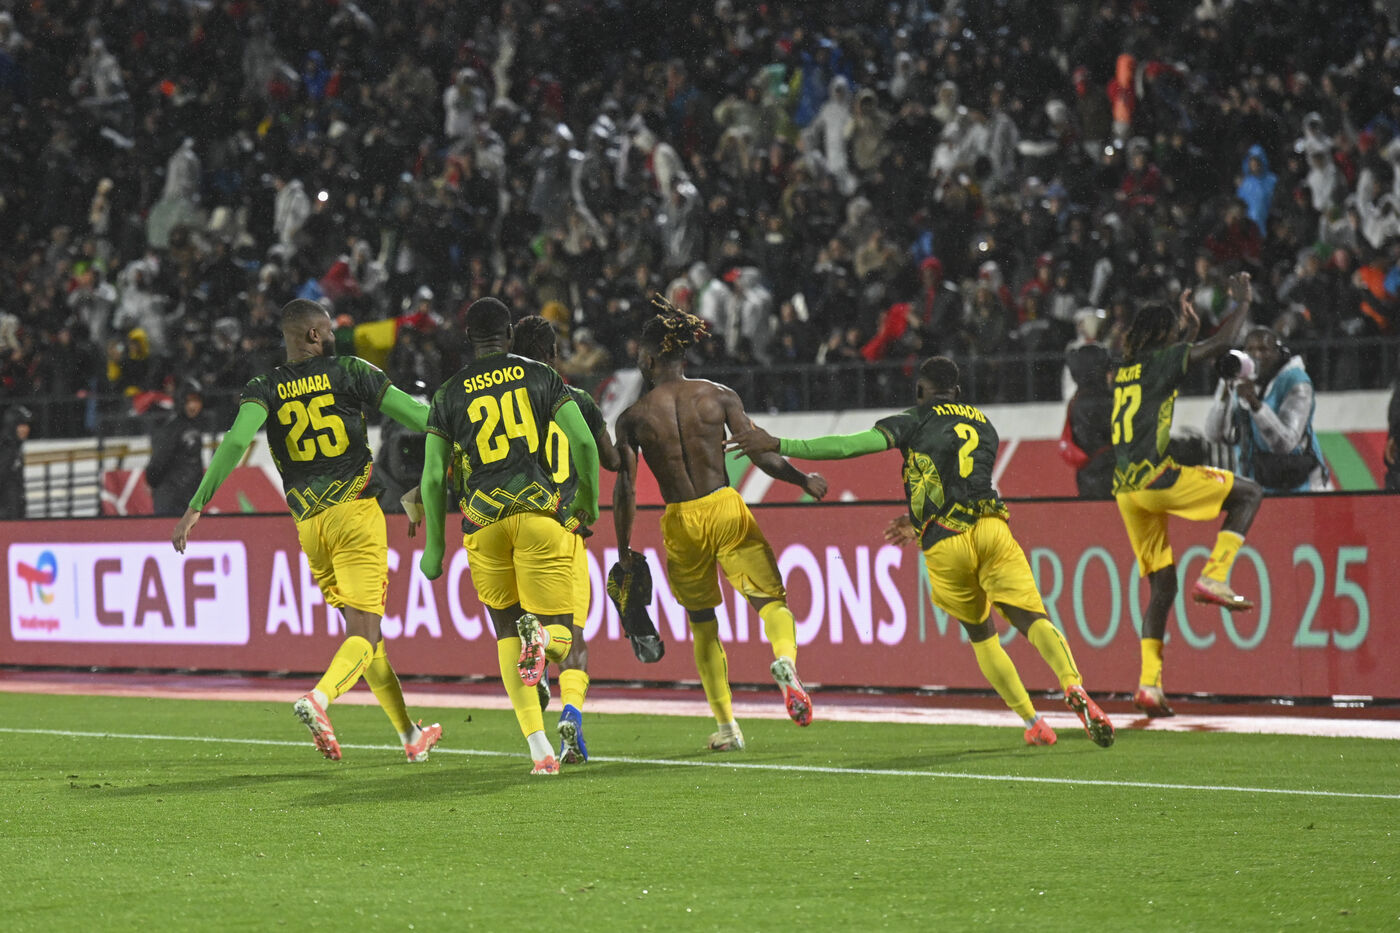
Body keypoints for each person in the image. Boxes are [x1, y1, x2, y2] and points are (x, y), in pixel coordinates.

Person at [727, 357, 1115, 749]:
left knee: (983, 635)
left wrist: (779, 443)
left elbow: (848, 446)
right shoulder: (985, 425)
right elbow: (961, 482)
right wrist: (915, 519)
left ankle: (1033, 722)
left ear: (919, 391)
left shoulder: (912, 420)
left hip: (947, 543)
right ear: (957, 392)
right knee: (1032, 618)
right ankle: (1073, 685)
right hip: (992, 529)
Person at [171, 299, 443, 763]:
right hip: (355, 515)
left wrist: (197, 505)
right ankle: (319, 698)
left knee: (367, 637)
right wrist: (456, 441)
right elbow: (422, 419)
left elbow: (236, 442)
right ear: (314, 335)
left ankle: (409, 735)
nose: (334, 335)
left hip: (310, 526)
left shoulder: (265, 386)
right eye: (329, 329)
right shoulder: (350, 370)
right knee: (365, 634)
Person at [613, 303, 827, 752]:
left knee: (703, 624)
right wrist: (801, 479)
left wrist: (623, 547)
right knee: (771, 602)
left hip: (680, 519)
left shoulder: (633, 417)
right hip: (725, 507)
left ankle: (727, 727)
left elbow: (626, 489)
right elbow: (760, 453)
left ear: (649, 359)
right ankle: (785, 662)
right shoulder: (719, 396)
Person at [417, 297, 599, 776]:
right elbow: (583, 441)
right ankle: (542, 638)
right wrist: (589, 499)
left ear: (467, 338)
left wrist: (435, 547)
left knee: (504, 633)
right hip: (537, 515)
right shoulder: (539, 376)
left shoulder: (448, 393)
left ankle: (540, 751)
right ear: (510, 334)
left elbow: (432, 477)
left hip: (482, 523)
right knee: (562, 632)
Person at [1111, 274, 1263, 718]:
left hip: (1126, 493)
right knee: (1248, 494)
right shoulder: (1162, 361)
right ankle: (1215, 575)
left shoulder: (1127, 370)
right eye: (1173, 330)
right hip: (1156, 479)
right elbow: (1223, 344)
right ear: (1163, 334)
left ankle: (1149, 685)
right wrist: (1242, 303)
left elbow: (1176, 360)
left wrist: (1189, 330)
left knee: (1163, 585)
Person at [511, 315, 621, 764]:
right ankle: (571, 716)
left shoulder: (508, 405)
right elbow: (609, 459)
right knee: (572, 638)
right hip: (563, 529)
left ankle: (539, 675)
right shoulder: (577, 400)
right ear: (554, 354)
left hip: (511, 529)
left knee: (517, 632)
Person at [1203, 328, 1328, 492]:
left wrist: (1255, 404)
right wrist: (1224, 389)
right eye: (1250, 350)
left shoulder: (1296, 381)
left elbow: (1285, 444)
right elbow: (1213, 435)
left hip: (1297, 483)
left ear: (1279, 353)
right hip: (1253, 481)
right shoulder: (1241, 380)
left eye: (1263, 350)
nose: (1257, 355)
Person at [145, 379, 210, 516]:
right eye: (189, 401)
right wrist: (154, 483)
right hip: (171, 499)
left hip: (188, 498)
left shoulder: (193, 426)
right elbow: (158, 461)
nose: (194, 406)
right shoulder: (172, 428)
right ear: (181, 401)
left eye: (197, 401)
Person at [0, 405, 32, 520]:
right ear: (12, 426)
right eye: (22, 425)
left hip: (14, 512)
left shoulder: (15, 447)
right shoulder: (5, 447)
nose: (26, 429)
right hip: (6, 515)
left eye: (27, 425)